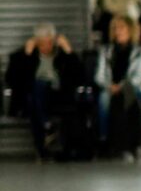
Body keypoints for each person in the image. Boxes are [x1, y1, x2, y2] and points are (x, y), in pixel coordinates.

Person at [5, 23, 86, 158]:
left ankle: (44, 140)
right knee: (34, 94)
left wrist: (69, 51)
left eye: (50, 43)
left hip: (58, 94)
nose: (46, 47)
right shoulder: (22, 55)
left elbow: (80, 77)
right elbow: (13, 80)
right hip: (35, 96)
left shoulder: (62, 55)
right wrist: (26, 56)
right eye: (42, 44)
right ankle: (46, 130)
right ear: (36, 42)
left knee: (35, 95)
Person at [96, 15, 141, 159]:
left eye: (121, 28)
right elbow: (99, 76)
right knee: (104, 100)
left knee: (132, 97)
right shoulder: (106, 51)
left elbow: (140, 76)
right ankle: (105, 138)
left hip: (131, 86)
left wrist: (122, 86)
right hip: (110, 87)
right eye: (115, 28)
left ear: (130, 30)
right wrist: (109, 86)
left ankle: (135, 142)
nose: (118, 31)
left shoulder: (139, 51)